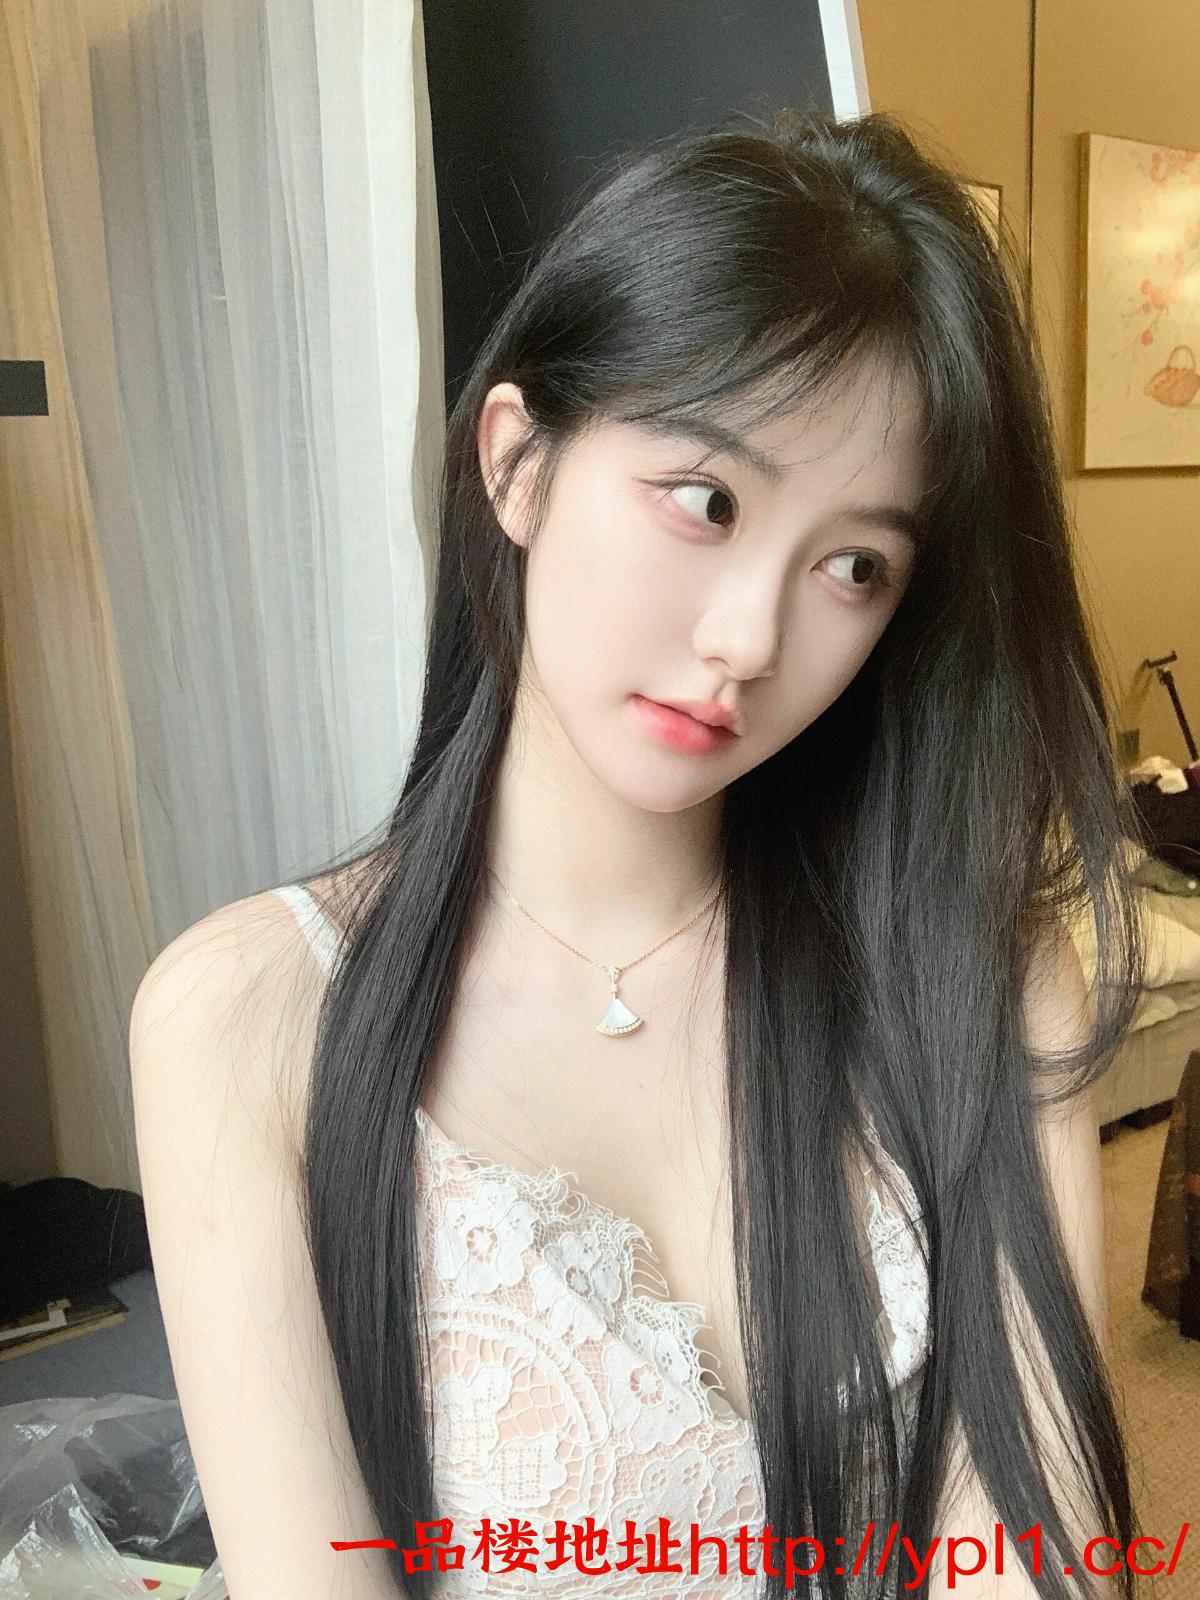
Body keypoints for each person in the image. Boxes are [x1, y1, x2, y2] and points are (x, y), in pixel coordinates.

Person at [130, 107, 1147, 1600]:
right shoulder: (250, 1019)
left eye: (853, 564)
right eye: (706, 500)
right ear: (518, 463)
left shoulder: (980, 975)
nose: (749, 638)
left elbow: (1034, 1552)